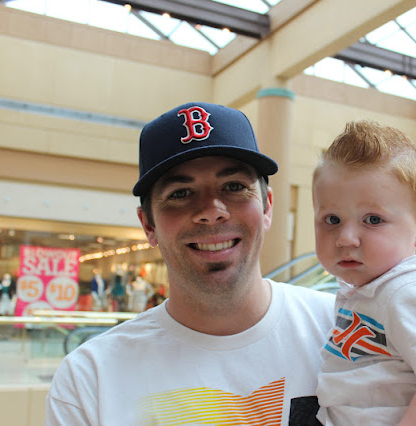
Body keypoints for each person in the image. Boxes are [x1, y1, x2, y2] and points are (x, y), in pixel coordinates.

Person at [46, 102, 335, 425]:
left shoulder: (343, 329)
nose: (211, 210)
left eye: (234, 187)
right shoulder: (91, 380)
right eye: (181, 193)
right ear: (149, 225)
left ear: (267, 207)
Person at [312, 120, 416, 425]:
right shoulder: (371, 291)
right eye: (332, 219)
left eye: (373, 220)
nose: (346, 238)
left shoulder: (412, 290)